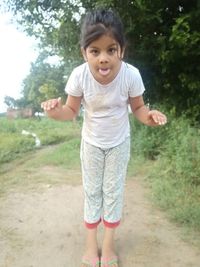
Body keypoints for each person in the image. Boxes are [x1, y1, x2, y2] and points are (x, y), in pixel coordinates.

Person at [41, 8, 167, 267]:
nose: (103, 59)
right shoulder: (79, 75)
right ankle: (91, 245)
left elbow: (139, 108)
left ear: (122, 49)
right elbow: (71, 111)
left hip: (119, 143)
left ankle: (108, 246)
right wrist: (55, 113)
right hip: (91, 144)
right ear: (83, 52)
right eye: (94, 51)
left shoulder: (131, 75)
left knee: (113, 191)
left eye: (111, 50)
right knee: (92, 192)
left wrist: (149, 116)